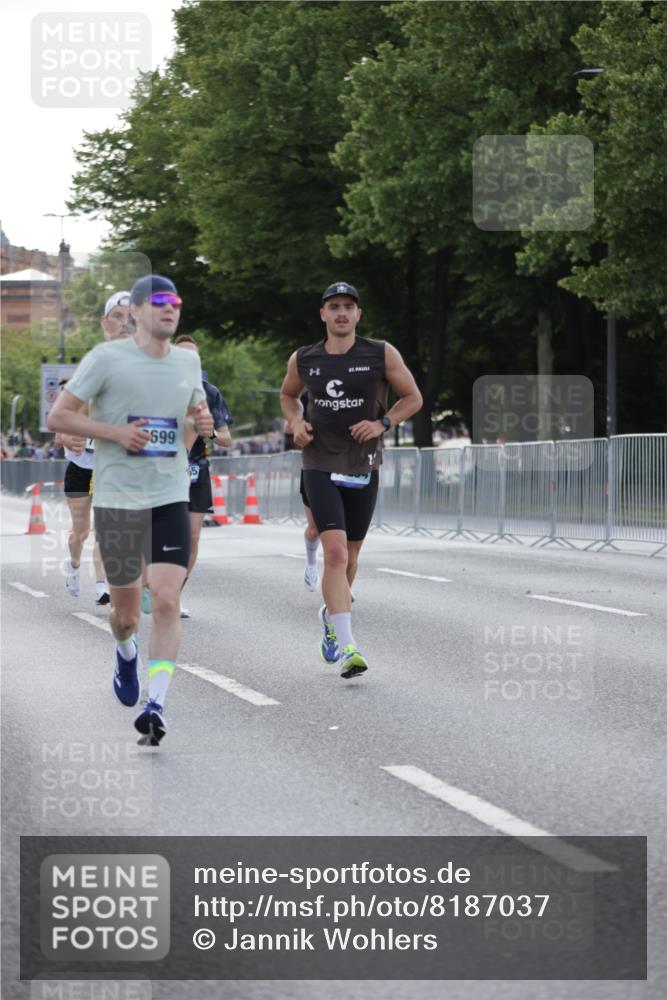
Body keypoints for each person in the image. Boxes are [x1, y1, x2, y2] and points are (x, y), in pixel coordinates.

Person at [47, 274, 213, 746]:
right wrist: (115, 433)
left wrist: (199, 424)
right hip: (119, 499)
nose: (170, 309)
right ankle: (124, 653)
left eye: (175, 302)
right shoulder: (106, 359)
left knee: (164, 599)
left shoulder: (187, 361)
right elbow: (59, 416)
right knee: (126, 616)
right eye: (159, 302)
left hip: (168, 497)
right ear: (137, 312)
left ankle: (156, 704)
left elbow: (195, 418)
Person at [280, 281, 422, 678]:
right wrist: (295, 422)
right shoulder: (304, 358)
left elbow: (412, 397)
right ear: (322, 314)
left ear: (358, 314)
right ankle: (348, 648)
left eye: (348, 306)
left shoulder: (380, 352)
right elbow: (288, 396)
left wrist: (383, 423)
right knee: (336, 554)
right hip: (319, 462)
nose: (341, 313)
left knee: (352, 559)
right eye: (334, 307)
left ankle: (331, 613)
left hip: (363, 465)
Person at [140, 333, 233, 618]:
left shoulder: (209, 392)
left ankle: (173, 595)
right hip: (160, 470)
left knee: (191, 537)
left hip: (196, 471)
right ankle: (148, 585)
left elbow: (227, 438)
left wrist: (213, 433)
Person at [57, 291, 132, 605]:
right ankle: (74, 565)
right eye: (117, 316)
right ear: (106, 323)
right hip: (80, 465)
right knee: (81, 532)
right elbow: (61, 420)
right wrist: (67, 436)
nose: (125, 323)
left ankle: (102, 583)